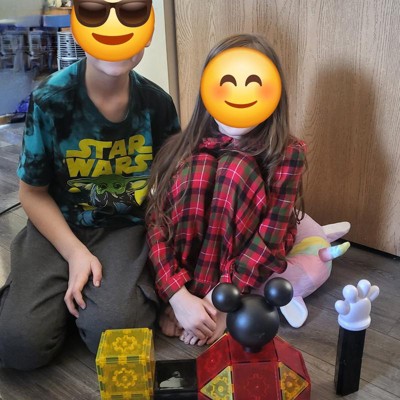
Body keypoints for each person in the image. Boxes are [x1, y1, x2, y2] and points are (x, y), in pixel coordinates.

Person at [0, 45, 180, 369]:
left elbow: (172, 189)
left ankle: (86, 309)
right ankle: (58, 307)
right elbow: (32, 193)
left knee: (116, 334)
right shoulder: (49, 100)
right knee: (18, 343)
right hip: (56, 226)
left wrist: (176, 294)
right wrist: (74, 253)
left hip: (123, 227)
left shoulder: (158, 104)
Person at [146, 34, 306, 346]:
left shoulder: (288, 152)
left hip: (242, 256)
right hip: (186, 270)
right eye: (227, 83)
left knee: (236, 168)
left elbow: (270, 239)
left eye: (253, 84)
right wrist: (177, 296)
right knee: (197, 168)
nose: (239, 95)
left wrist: (221, 301)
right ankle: (189, 304)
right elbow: (156, 225)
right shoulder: (183, 146)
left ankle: (207, 308)